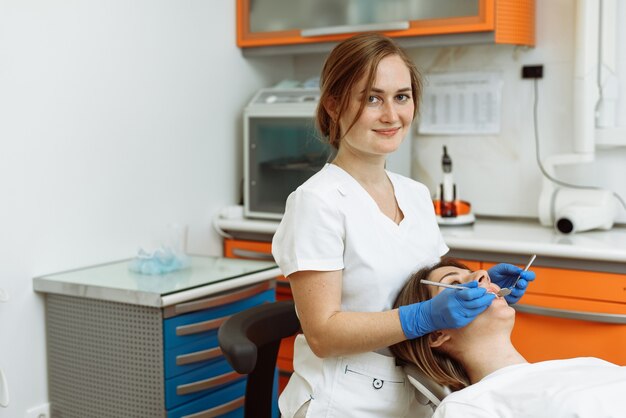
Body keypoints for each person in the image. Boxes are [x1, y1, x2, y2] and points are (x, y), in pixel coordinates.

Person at [271, 33, 535, 418]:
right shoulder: (317, 202)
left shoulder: (413, 194)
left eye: (402, 96)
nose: (391, 115)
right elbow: (323, 335)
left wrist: (481, 292)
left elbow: (428, 284)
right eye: (372, 98)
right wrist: (423, 318)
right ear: (333, 104)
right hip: (343, 400)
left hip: (417, 393)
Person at [391, 258, 626, 418]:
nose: (483, 274)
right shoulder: (468, 407)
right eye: (454, 283)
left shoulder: (584, 365)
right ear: (437, 333)